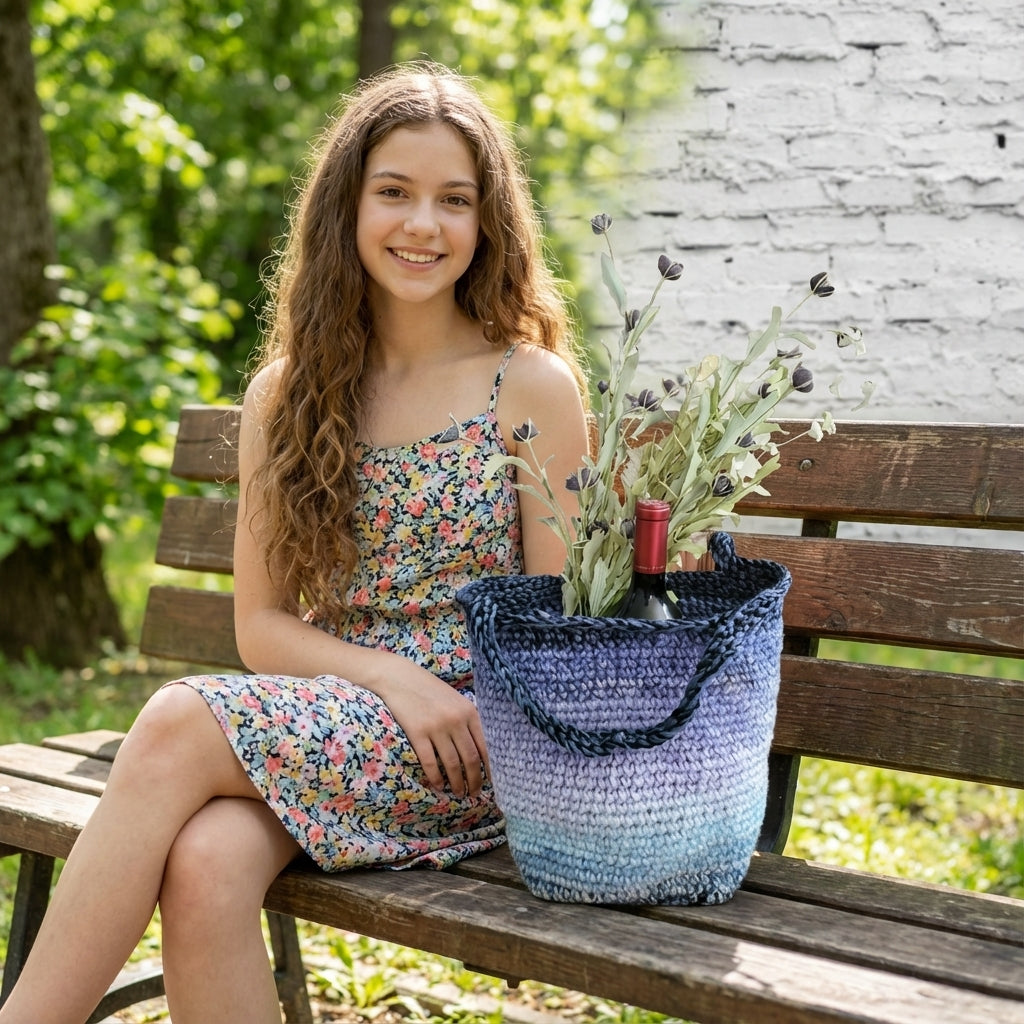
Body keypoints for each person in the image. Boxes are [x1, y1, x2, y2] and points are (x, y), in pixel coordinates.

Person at [0, 62, 590, 1024]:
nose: (422, 225)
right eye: (393, 193)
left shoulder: (529, 385)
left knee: (175, 722)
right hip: (343, 718)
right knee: (205, 863)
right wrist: (395, 679)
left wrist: (441, 694)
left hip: (469, 745)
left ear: (488, 224)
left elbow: (559, 626)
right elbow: (262, 627)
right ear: (345, 209)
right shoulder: (289, 392)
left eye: (454, 200)